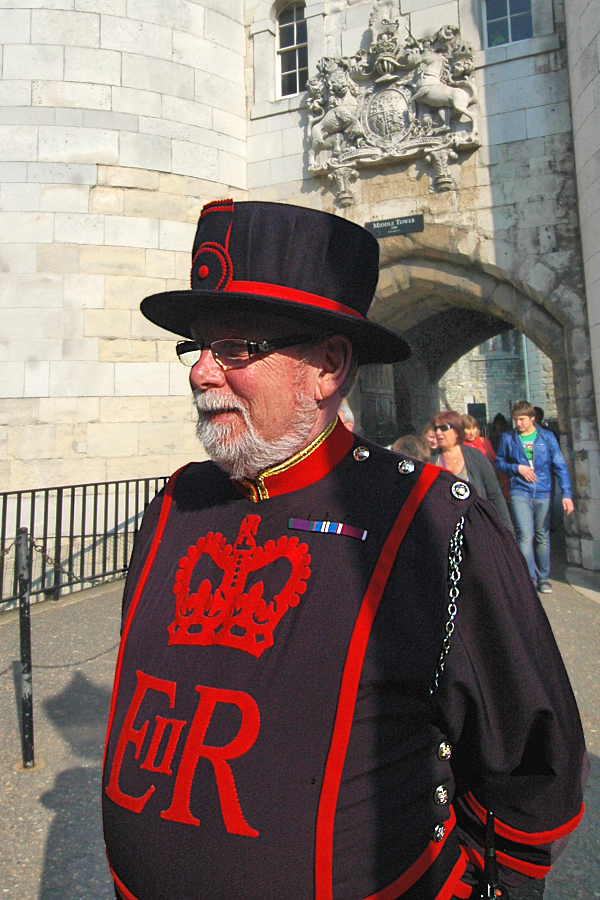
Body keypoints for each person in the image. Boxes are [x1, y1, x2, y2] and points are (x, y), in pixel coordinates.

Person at [102, 200, 585, 900]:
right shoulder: (176, 505)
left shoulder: (434, 524)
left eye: (235, 348)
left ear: (327, 365)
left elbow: (530, 761)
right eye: (197, 347)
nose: (201, 373)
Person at [496, 400, 575, 593]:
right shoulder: (508, 438)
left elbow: (560, 466)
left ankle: (543, 577)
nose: (518, 423)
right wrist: (517, 468)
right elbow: (499, 463)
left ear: (532, 418)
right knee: (525, 535)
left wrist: (567, 494)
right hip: (519, 490)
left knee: (542, 535)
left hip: (542, 491)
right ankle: (528, 578)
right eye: (515, 420)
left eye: (522, 419)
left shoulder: (546, 437)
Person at [432, 410, 514, 534]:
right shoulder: (431, 460)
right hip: (444, 532)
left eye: (443, 428)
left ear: (456, 431)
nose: (438, 432)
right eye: (436, 428)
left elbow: (495, 495)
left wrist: (508, 534)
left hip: (475, 530)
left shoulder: (476, 457)